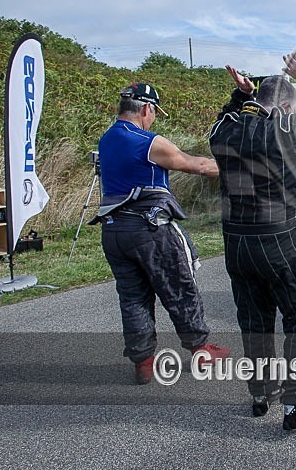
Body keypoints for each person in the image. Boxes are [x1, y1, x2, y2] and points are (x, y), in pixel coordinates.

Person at [209, 53, 296, 430]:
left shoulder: (224, 131)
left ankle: (261, 393)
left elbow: (224, 119)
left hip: (235, 244)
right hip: (277, 238)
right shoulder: (290, 131)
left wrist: (241, 97)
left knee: (253, 320)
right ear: (287, 106)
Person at [93, 83, 229, 385]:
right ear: (145, 109)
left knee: (132, 297)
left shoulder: (106, 140)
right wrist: (236, 165)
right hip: (150, 230)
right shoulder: (148, 141)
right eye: (154, 112)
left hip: (114, 230)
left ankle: (143, 361)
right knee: (179, 287)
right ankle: (201, 350)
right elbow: (199, 166)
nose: (153, 118)